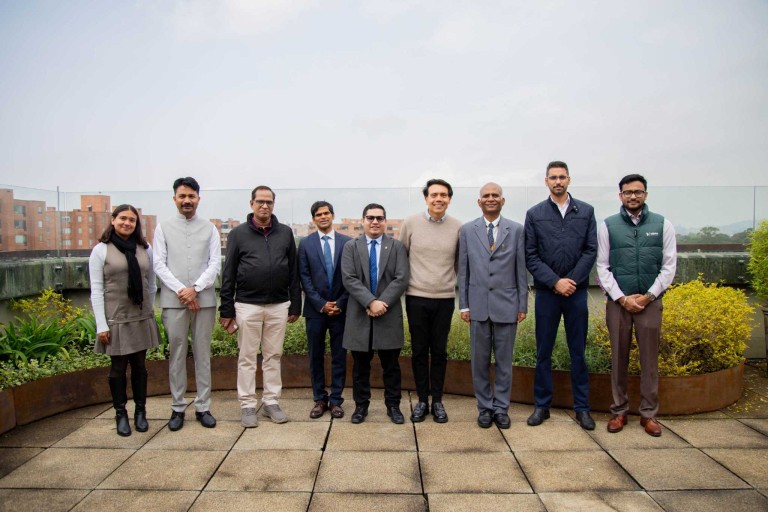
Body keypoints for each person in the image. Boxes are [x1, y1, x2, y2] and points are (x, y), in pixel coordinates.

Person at [596, 174, 676, 437]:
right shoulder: (607, 225)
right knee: (618, 357)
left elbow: (669, 267)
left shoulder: (663, 224)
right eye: (628, 192)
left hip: (650, 302)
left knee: (649, 360)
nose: (633, 196)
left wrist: (648, 296)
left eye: (638, 192)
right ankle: (619, 411)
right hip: (618, 303)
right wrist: (621, 297)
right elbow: (602, 267)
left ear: (645, 195)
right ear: (620, 196)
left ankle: (649, 415)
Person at [219, 186, 301, 427]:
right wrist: (227, 309)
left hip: (278, 305)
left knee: (273, 356)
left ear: (274, 205)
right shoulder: (238, 234)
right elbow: (229, 274)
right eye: (260, 201)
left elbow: (293, 271)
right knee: (246, 357)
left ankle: (271, 402)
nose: (265, 206)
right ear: (251, 204)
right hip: (247, 305)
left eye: (269, 202)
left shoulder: (285, 233)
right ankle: (247, 405)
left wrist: (296, 303)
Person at [524, 161, 597, 430]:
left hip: (576, 293)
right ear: (546, 181)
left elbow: (591, 250)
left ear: (569, 180)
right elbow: (530, 256)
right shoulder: (535, 214)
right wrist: (555, 281)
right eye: (553, 177)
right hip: (547, 293)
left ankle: (582, 408)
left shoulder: (586, 212)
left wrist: (571, 282)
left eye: (562, 177)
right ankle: (542, 406)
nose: (558, 181)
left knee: (578, 352)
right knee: (543, 351)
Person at [458, 183, 528, 429]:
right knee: (479, 362)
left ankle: (501, 408)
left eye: (495, 195)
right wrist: (463, 305)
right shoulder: (467, 230)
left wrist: (523, 304)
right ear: (479, 201)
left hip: (507, 306)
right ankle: (484, 408)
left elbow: (521, 270)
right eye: (486, 196)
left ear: (502, 200)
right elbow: (463, 271)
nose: (490, 199)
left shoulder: (516, 230)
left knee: (504, 362)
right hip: (477, 306)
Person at [154, 177, 221, 431]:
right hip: (174, 301)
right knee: (177, 354)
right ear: (174, 199)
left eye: (191, 196)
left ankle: (203, 406)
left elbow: (215, 263)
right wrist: (183, 291)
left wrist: (196, 290)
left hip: (203, 300)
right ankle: (177, 407)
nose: (186, 201)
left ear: (198, 199)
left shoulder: (210, 228)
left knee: (203, 353)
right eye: (182, 196)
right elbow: (159, 263)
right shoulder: (163, 228)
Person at [89, 204, 161, 437]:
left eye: (131, 220)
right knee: (118, 367)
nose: (127, 223)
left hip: (140, 316)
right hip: (116, 318)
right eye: (122, 218)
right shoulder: (101, 250)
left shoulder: (145, 248)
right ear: (113, 220)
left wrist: (149, 310)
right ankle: (121, 414)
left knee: (140, 366)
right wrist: (101, 324)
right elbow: (96, 289)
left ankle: (140, 412)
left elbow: (151, 284)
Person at [399, 179, 462, 423]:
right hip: (416, 297)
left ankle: (437, 401)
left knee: (439, 352)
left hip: (445, 298)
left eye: (444, 195)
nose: (439, 199)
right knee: (418, 351)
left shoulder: (458, 227)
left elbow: (460, 262)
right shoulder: (410, 223)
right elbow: (401, 257)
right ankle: (421, 400)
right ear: (426, 198)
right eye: (434, 194)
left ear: (449, 199)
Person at [341, 203, 409, 424]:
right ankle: (361, 407)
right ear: (363, 221)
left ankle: (394, 407)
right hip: (360, 313)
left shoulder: (396, 246)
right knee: (360, 367)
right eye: (370, 217)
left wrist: (382, 303)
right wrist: (371, 302)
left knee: (391, 366)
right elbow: (349, 278)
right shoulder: (351, 246)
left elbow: (401, 278)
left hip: (388, 313)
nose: (375, 222)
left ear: (385, 221)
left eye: (379, 218)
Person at [298, 201, 352, 419]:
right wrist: (321, 303)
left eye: (326, 213)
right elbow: (304, 277)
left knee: (340, 355)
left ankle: (336, 400)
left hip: (341, 310)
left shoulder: (347, 243)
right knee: (316, 356)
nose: (323, 217)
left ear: (333, 215)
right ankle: (319, 399)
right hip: (315, 311)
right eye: (318, 214)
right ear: (314, 219)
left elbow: (352, 277)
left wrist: (340, 303)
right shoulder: (305, 244)